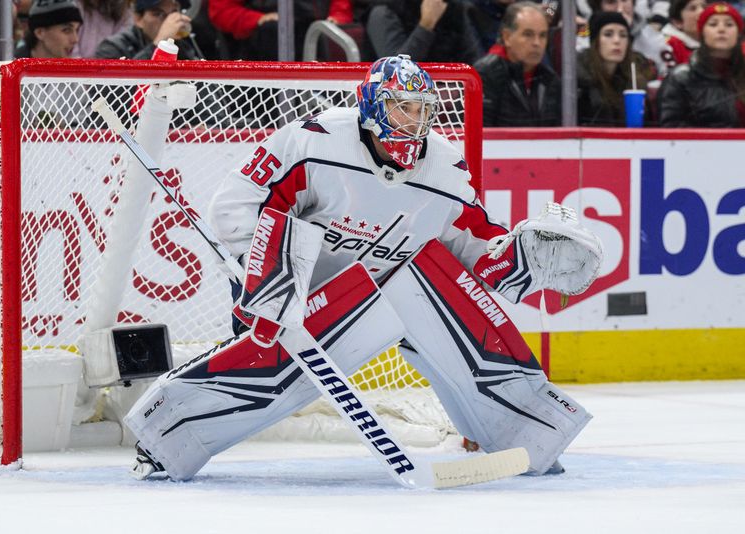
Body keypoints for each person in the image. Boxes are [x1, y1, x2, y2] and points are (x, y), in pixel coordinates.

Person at [122, 55, 600, 482]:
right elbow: (239, 204)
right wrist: (264, 276)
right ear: (372, 107)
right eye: (402, 108)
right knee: (266, 371)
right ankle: (167, 431)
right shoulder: (315, 142)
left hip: (381, 295)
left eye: (423, 110)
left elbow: (474, 246)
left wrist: (520, 258)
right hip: (295, 295)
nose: (416, 122)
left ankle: (526, 427)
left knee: (433, 280)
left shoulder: (445, 171)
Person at [474, 2, 562, 126]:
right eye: (528, 34)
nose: (537, 43)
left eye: (542, 35)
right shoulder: (484, 75)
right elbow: (481, 132)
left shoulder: (550, 80)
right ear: (507, 37)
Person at [658, 2, 745, 126]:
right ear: (702, 33)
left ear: (738, 34)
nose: (721, 29)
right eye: (713, 24)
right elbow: (672, 129)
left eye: (729, 24)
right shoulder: (681, 79)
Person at [578, 11, 657, 125]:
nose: (617, 41)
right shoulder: (580, 81)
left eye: (623, 35)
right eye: (608, 34)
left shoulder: (634, 79)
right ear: (595, 41)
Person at [208, 0, 353, 60]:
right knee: (272, 32)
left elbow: (341, 7)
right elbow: (221, 12)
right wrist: (257, 18)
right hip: (262, 40)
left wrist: (338, 15)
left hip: (316, 29)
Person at [365, 0, 482, 64]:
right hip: (396, 102)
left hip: (448, 98)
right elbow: (395, 73)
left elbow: (473, 62)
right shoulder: (383, 12)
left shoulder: (452, 7)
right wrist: (426, 25)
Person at [94, 0, 201, 60]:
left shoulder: (181, 47)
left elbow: (206, 94)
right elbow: (115, 94)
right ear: (138, 18)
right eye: (159, 14)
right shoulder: (113, 47)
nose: (169, 22)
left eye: (174, 13)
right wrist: (159, 43)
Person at [14, 0, 83, 58]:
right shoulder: (11, 68)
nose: (75, 39)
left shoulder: (73, 70)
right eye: (67, 30)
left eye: (77, 30)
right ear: (40, 33)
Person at [662, 0, 706, 68]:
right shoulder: (668, 45)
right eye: (693, 8)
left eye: (704, 6)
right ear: (678, 22)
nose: (702, 11)